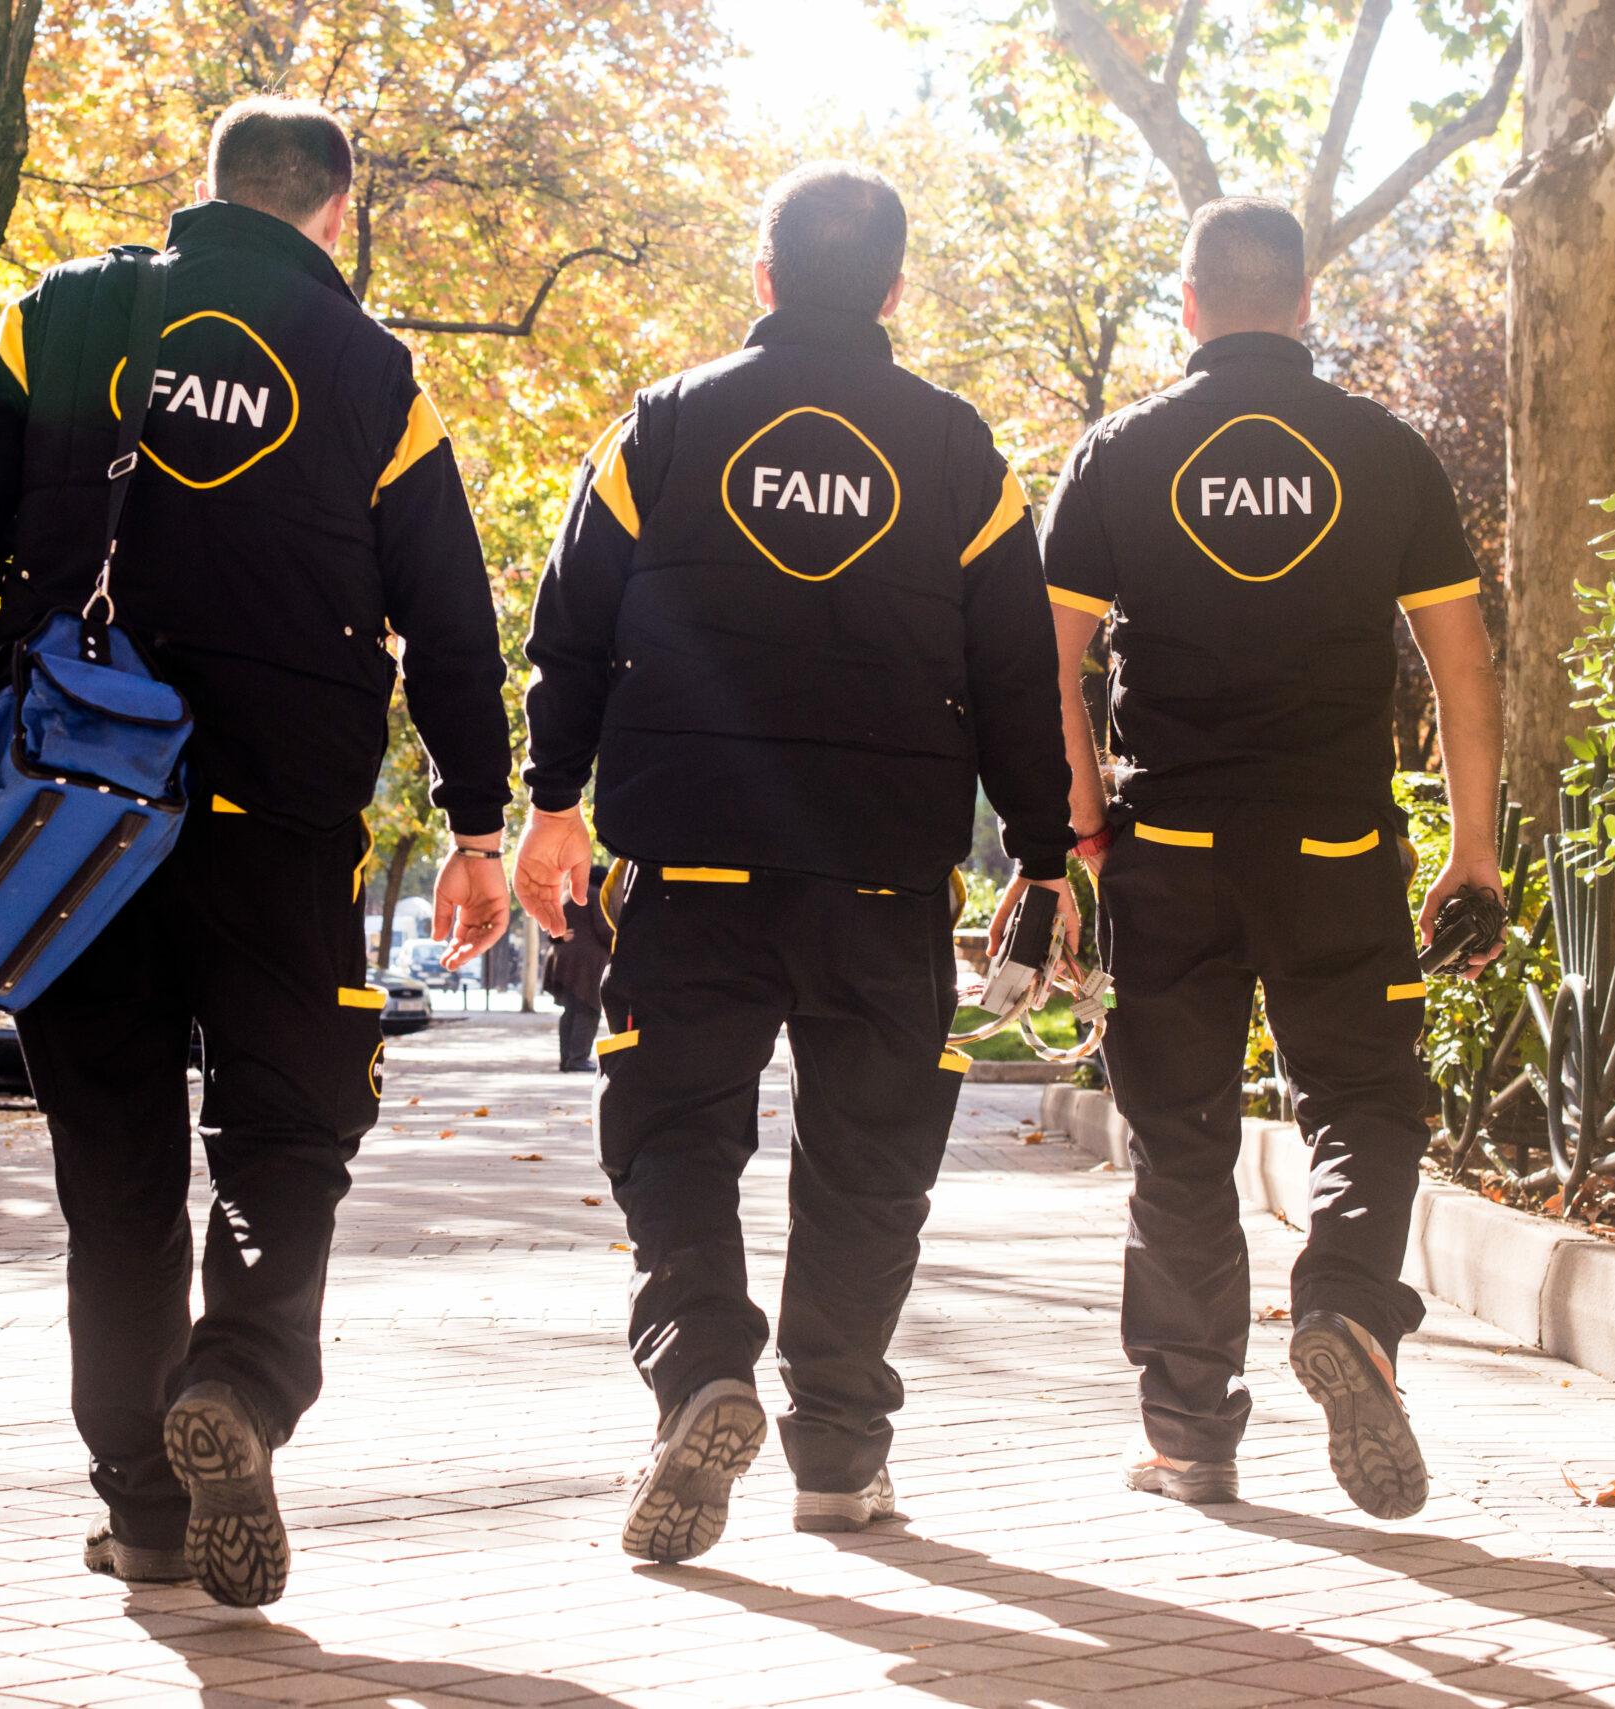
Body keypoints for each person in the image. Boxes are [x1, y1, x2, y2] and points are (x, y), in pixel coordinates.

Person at [0, 96, 513, 1606]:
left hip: (73, 832)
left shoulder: (60, 318)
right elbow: (449, 616)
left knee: (115, 1172)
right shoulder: (373, 377)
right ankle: (234, 1386)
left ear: (209, 192)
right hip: (272, 830)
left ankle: (147, 1507)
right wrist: (480, 824)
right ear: (330, 214)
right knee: (286, 1134)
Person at [513, 163, 1073, 1561]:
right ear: (894, 290)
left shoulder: (662, 428)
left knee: (674, 1137)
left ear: (759, 280)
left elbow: (570, 626)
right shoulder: (962, 454)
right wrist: (1046, 861)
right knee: (870, 1168)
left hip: (694, 866)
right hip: (883, 880)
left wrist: (548, 803)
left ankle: (704, 1364)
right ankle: (838, 1461)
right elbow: (1017, 677)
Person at [1027, 197, 1502, 1520]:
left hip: (1166, 845)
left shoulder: (1118, 453)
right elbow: (1461, 661)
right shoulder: (1380, 451)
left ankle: (1191, 1438)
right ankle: (1347, 1300)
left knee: (1177, 1141)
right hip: (1336, 841)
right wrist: (1474, 851)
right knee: (1364, 1099)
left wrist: (1071, 843)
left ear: (1189, 307)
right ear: (1303, 305)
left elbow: (1049, 667)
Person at [541, 864, 614, 1071]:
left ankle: (567, 1059)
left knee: (571, 1011)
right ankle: (578, 1059)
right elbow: (603, 929)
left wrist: (557, 939)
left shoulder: (568, 895)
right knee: (588, 1010)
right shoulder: (595, 895)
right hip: (586, 966)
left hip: (562, 963)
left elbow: (551, 928)